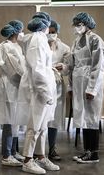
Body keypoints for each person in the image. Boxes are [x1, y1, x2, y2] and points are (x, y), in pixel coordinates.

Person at [17, 12, 60, 174]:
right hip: (38, 89)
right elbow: (37, 69)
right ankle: (27, 160)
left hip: (44, 87)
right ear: (45, 25)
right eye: (49, 24)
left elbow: (43, 65)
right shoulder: (37, 40)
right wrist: (45, 92)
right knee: (34, 125)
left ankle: (40, 156)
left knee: (43, 126)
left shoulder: (39, 38)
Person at [66, 12, 104, 164]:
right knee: (83, 118)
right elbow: (72, 65)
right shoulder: (76, 41)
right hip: (78, 83)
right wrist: (70, 86)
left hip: (90, 84)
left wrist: (92, 89)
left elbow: (98, 66)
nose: (77, 27)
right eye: (76, 24)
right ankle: (87, 151)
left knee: (91, 118)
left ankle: (94, 153)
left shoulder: (96, 40)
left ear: (87, 24)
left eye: (79, 24)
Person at [0, 20, 26, 166]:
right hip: (9, 86)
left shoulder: (16, 46)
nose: (22, 33)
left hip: (16, 85)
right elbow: (15, 68)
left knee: (16, 120)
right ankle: (7, 155)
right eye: (21, 31)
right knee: (9, 120)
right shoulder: (6, 47)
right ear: (15, 32)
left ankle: (13, 151)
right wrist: (28, 78)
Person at [46, 20, 71, 161]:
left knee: (54, 119)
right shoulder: (39, 46)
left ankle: (52, 149)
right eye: (48, 32)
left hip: (57, 86)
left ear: (57, 32)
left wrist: (64, 67)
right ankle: (38, 152)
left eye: (53, 32)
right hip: (42, 85)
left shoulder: (64, 48)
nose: (50, 35)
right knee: (41, 119)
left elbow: (69, 67)